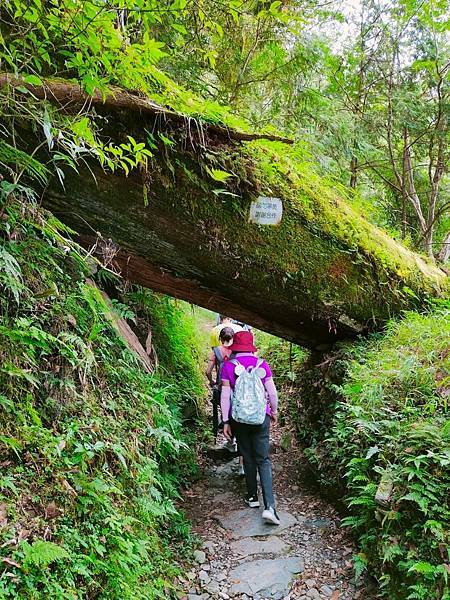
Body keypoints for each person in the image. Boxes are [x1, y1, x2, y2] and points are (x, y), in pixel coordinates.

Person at [220, 330, 280, 525]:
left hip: (239, 420)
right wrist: (274, 412)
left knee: (247, 456)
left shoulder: (228, 366)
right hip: (260, 416)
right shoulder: (262, 365)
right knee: (263, 459)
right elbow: (272, 393)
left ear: (235, 347)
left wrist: (226, 421)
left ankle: (252, 497)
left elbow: (225, 396)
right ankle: (270, 507)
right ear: (251, 347)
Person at [206, 326, 234, 442]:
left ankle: (228, 437)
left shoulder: (216, 351)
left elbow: (207, 371)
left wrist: (212, 382)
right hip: (235, 384)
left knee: (224, 407)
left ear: (220, 339)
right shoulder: (236, 351)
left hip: (222, 384)